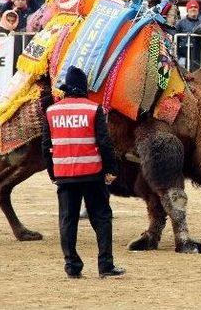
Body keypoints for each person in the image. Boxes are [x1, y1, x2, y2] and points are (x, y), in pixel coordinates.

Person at [42, 66, 125, 279]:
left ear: (67, 89)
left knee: (67, 220)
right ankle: (105, 266)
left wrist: (53, 173)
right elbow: (104, 143)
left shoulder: (52, 111)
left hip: (64, 176)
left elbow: (45, 146)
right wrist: (111, 169)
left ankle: (72, 266)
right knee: (102, 218)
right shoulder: (93, 109)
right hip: (92, 174)